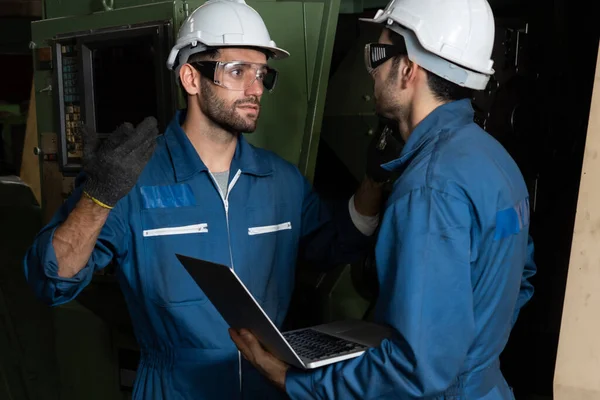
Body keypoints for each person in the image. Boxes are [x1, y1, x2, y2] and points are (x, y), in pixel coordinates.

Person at [23, 0, 390, 398]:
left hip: (267, 383)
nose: (255, 89)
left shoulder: (280, 180)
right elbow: (52, 282)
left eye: (262, 74)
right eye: (237, 71)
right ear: (191, 79)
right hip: (175, 387)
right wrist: (99, 197)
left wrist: (374, 179)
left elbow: (336, 243)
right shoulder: (132, 178)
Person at [230, 0, 537, 398]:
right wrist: (470, 354)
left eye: (378, 55)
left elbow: (414, 369)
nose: (372, 72)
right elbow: (520, 280)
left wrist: (293, 380)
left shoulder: (429, 189)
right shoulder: (495, 160)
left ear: (409, 69)